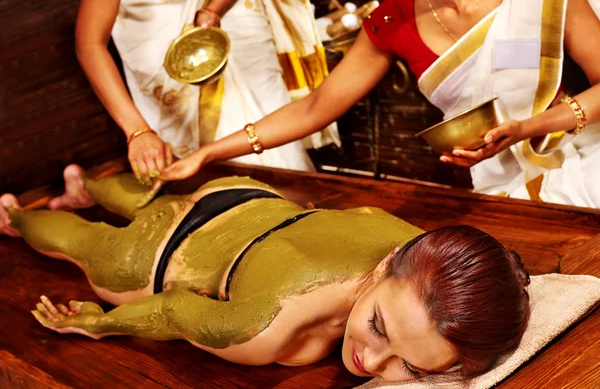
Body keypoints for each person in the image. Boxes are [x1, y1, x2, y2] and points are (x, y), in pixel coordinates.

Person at [157, 0, 600, 208]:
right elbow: (315, 107)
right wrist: (210, 153)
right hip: (503, 190)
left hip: (584, 162)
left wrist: (531, 126)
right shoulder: (390, 21)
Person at [0, 165, 530, 382]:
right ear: (388, 266)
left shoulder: (419, 246)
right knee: (88, 243)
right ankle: (16, 215)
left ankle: (87, 183)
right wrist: (98, 323)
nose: (370, 363)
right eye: (378, 327)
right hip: (161, 253)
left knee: (155, 197)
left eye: (411, 369)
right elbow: (172, 310)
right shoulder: (267, 329)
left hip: (242, 195)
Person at [72, 0, 323, 193]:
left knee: (262, 102)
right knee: (180, 161)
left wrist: (213, 10)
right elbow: (89, 43)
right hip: (155, 21)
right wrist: (137, 131)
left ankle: (284, 203)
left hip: (227, 1)